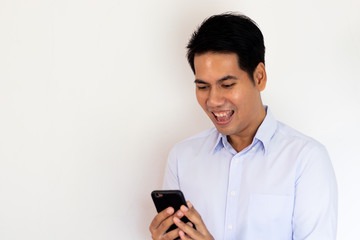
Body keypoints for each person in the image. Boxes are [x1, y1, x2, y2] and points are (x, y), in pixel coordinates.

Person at [149, 13, 337, 240]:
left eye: (227, 84)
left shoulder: (306, 159)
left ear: (259, 77)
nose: (213, 100)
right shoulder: (182, 157)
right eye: (203, 86)